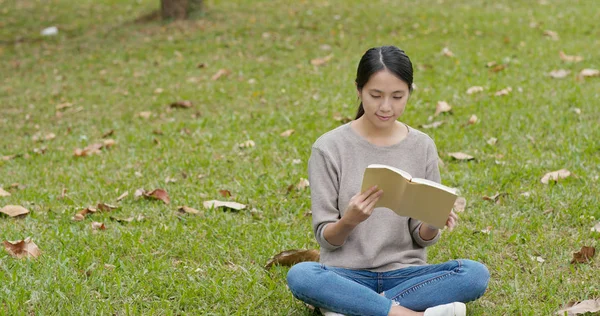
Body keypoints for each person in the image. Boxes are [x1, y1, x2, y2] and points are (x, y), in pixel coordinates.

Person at [286, 46, 490, 316]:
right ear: (358, 90)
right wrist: (350, 220)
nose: (386, 107)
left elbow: (422, 237)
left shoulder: (422, 146)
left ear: (409, 92)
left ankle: (355, 307)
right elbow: (326, 237)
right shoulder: (329, 148)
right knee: (302, 275)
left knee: (474, 274)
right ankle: (404, 313)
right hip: (346, 275)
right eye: (375, 95)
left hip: (406, 276)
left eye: (397, 96)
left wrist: (432, 222)